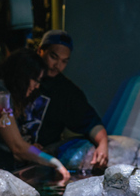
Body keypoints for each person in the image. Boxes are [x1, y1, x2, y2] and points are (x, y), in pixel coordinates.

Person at [0, 48, 70, 180]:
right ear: (23, 75)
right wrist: (55, 163)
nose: (36, 86)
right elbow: (17, 147)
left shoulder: (3, 92)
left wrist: (29, 149)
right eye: (36, 80)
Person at [26, 30, 109, 169]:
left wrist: (103, 144)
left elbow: (91, 122)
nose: (57, 65)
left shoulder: (66, 92)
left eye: (64, 61)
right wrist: (24, 146)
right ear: (40, 51)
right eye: (54, 57)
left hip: (39, 162)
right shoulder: (21, 76)